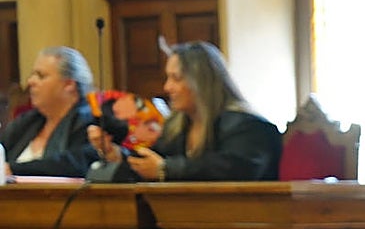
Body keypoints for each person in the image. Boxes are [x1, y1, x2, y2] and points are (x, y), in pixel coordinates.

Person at [87, 41, 281, 181]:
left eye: (176, 78)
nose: (167, 87)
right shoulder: (178, 125)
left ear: (202, 83)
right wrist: (116, 155)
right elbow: (153, 161)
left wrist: (167, 170)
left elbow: (232, 169)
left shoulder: (249, 127)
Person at [1, 47, 101, 178]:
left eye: (41, 76)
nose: (31, 81)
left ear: (69, 84)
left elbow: (73, 164)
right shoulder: (27, 122)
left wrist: (13, 169)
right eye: (32, 75)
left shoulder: (90, 123)